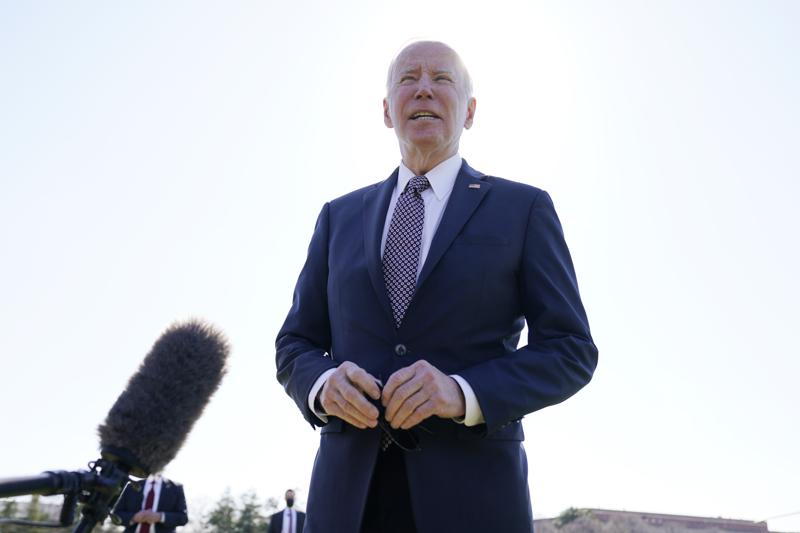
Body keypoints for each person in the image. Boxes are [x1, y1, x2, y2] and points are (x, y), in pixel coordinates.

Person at [276, 40, 598, 533]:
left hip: (473, 499)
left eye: (442, 79)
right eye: (408, 79)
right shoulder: (338, 217)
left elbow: (570, 350)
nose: (423, 89)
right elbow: (295, 343)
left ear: (469, 111)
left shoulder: (523, 209)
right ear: (387, 110)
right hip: (347, 503)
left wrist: (462, 392)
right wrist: (322, 385)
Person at [111, 473, 188, 533]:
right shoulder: (132, 486)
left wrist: (160, 517)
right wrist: (134, 517)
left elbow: (183, 518)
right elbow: (116, 514)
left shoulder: (176, 488)